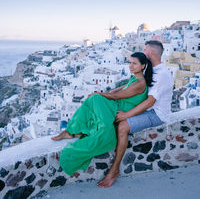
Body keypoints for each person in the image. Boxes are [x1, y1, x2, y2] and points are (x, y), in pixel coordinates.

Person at [51, 52, 153, 177]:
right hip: (117, 105)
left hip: (118, 109)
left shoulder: (140, 83)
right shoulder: (134, 79)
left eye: (135, 64)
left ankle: (73, 131)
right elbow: (120, 90)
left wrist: (98, 93)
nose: (131, 66)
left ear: (143, 66)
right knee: (92, 101)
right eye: (130, 63)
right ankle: (71, 131)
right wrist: (109, 92)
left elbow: (116, 96)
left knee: (94, 99)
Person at [98, 40, 173, 188]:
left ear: (151, 52)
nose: (143, 52)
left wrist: (126, 115)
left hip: (156, 114)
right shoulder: (150, 68)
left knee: (122, 126)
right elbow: (134, 82)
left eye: (145, 50)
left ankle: (114, 170)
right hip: (146, 109)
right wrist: (116, 90)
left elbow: (150, 102)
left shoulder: (162, 74)